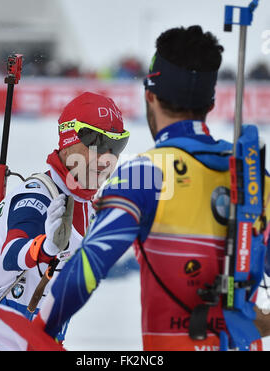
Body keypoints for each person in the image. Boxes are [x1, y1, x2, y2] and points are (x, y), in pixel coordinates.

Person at [33, 26, 270, 351]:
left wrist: (35, 334)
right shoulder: (253, 174)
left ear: (150, 96)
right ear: (211, 102)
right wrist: (253, 321)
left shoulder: (143, 174)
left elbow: (86, 270)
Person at [0, 91, 129, 348]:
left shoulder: (86, 206)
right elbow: (12, 252)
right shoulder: (38, 195)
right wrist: (45, 247)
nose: (107, 158)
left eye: (117, 146)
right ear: (68, 139)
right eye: (97, 142)